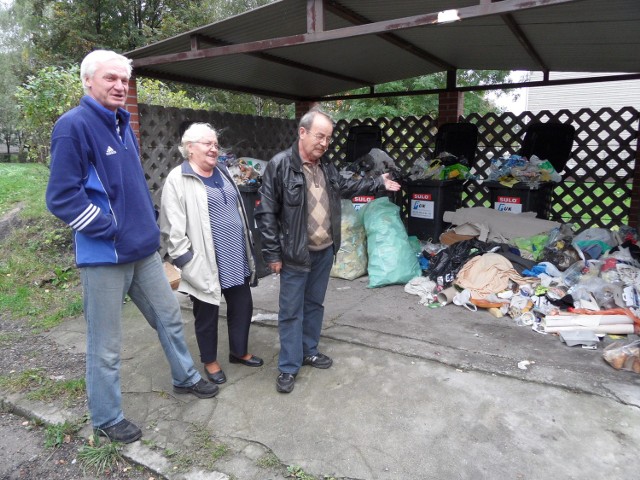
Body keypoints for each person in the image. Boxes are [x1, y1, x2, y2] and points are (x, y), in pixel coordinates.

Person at [45, 50, 218, 444]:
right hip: (105, 255)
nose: (120, 86)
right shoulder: (73, 127)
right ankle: (106, 418)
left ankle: (186, 377)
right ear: (88, 81)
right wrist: (109, 227)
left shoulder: (123, 124)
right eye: (111, 79)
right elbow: (61, 197)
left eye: (124, 79)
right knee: (106, 345)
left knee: (170, 317)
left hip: (143, 252)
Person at [255, 108, 401, 393]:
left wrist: (378, 183)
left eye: (328, 138)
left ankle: (309, 350)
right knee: (290, 311)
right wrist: (272, 254)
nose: (324, 143)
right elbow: (266, 213)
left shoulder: (327, 167)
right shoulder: (280, 165)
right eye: (320, 136)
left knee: (314, 305)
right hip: (295, 254)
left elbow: (348, 185)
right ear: (302, 132)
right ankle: (288, 366)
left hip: (324, 250)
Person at [159, 122, 263, 386]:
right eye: (208, 143)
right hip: (204, 261)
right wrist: (188, 262)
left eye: (215, 144)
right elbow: (172, 229)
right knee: (206, 314)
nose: (214, 148)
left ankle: (238, 352)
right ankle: (210, 361)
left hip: (235, 256)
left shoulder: (223, 171)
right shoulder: (178, 179)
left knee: (243, 306)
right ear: (189, 147)